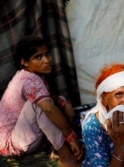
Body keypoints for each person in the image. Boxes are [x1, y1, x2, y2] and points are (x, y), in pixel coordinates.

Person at [0, 36, 83, 167]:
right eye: (38, 57)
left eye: (47, 54)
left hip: (20, 136)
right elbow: (48, 108)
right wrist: (71, 138)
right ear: (25, 62)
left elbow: (51, 97)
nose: (47, 60)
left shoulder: (29, 75)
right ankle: (65, 155)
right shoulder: (30, 80)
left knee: (54, 101)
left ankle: (59, 143)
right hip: (13, 143)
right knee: (41, 106)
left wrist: (64, 103)